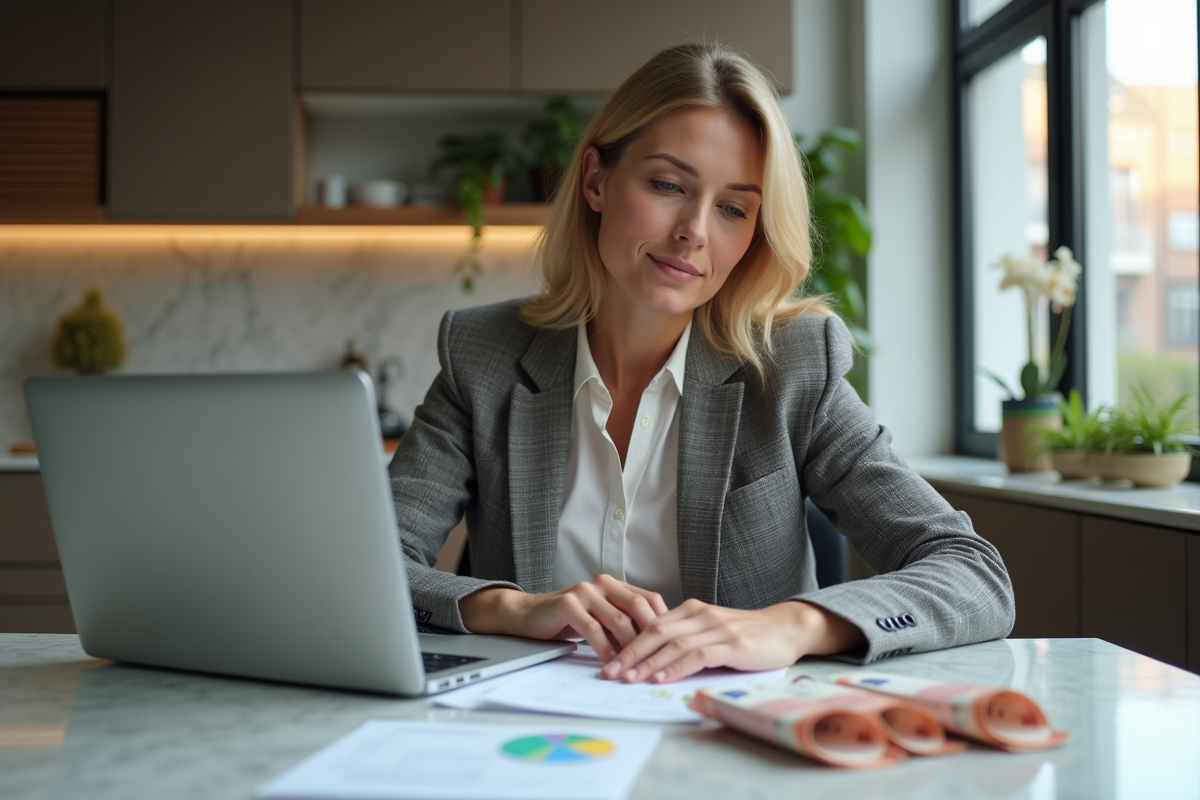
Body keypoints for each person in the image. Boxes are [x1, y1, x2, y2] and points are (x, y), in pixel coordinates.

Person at [389, 42, 1014, 684]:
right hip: (530, 729)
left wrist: (792, 624)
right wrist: (510, 608)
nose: (694, 230)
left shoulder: (793, 365)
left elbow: (971, 574)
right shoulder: (483, 354)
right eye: (667, 185)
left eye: (733, 208)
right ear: (596, 181)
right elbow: (371, 564)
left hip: (729, 728)